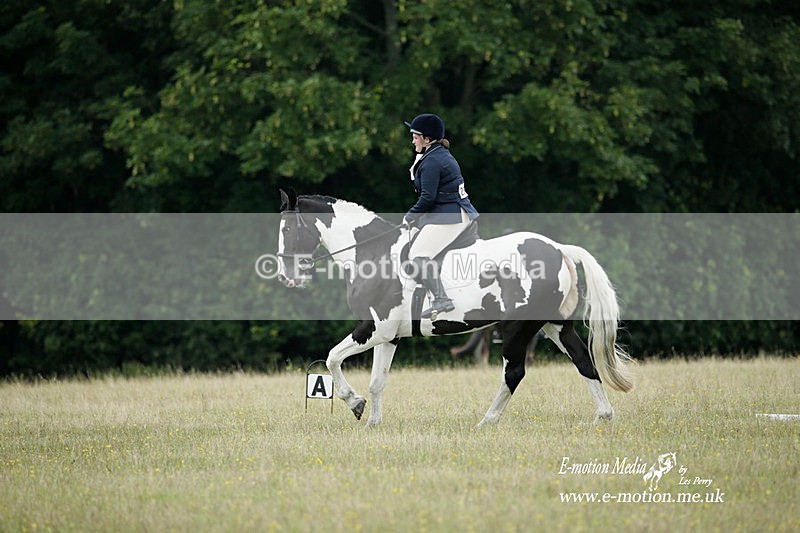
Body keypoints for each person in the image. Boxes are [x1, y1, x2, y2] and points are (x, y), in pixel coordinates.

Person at [402, 113, 479, 319]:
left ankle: (441, 299)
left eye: (416, 136)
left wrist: (410, 216)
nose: (413, 140)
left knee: (418, 257)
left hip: (451, 215)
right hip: (447, 212)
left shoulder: (433, 161)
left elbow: (428, 198)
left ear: (428, 139)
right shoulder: (434, 154)